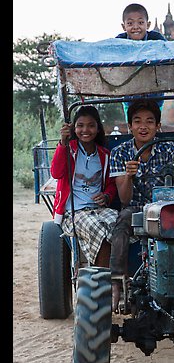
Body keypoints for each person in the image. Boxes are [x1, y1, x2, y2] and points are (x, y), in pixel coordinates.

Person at [109, 98, 174, 311]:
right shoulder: (120, 153)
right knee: (122, 221)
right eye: (138, 121)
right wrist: (129, 177)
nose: (144, 126)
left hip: (166, 209)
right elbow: (124, 199)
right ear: (130, 126)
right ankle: (117, 281)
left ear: (157, 126)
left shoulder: (168, 149)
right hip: (136, 210)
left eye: (150, 121)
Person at [50, 105, 118, 271]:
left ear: (97, 128)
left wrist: (107, 196)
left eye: (91, 125)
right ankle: (100, 282)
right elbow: (56, 173)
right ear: (74, 128)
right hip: (75, 212)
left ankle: (117, 277)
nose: (85, 130)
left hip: (99, 209)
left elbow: (111, 184)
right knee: (97, 229)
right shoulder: (69, 150)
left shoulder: (105, 154)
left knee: (119, 224)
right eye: (80, 125)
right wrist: (63, 143)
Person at [116, 3, 166, 119]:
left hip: (155, 94)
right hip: (130, 95)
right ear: (124, 27)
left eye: (140, 22)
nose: (135, 27)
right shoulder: (119, 42)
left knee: (153, 120)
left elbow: (168, 53)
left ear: (148, 25)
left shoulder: (157, 39)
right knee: (132, 121)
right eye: (130, 23)